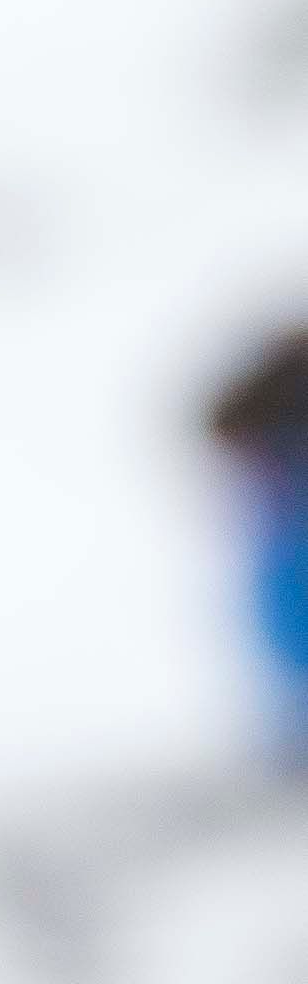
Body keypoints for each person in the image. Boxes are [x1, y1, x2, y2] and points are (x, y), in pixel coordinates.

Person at [209, 324, 308, 760]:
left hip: (282, 524)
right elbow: (222, 424)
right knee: (289, 621)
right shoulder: (269, 384)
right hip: (285, 524)